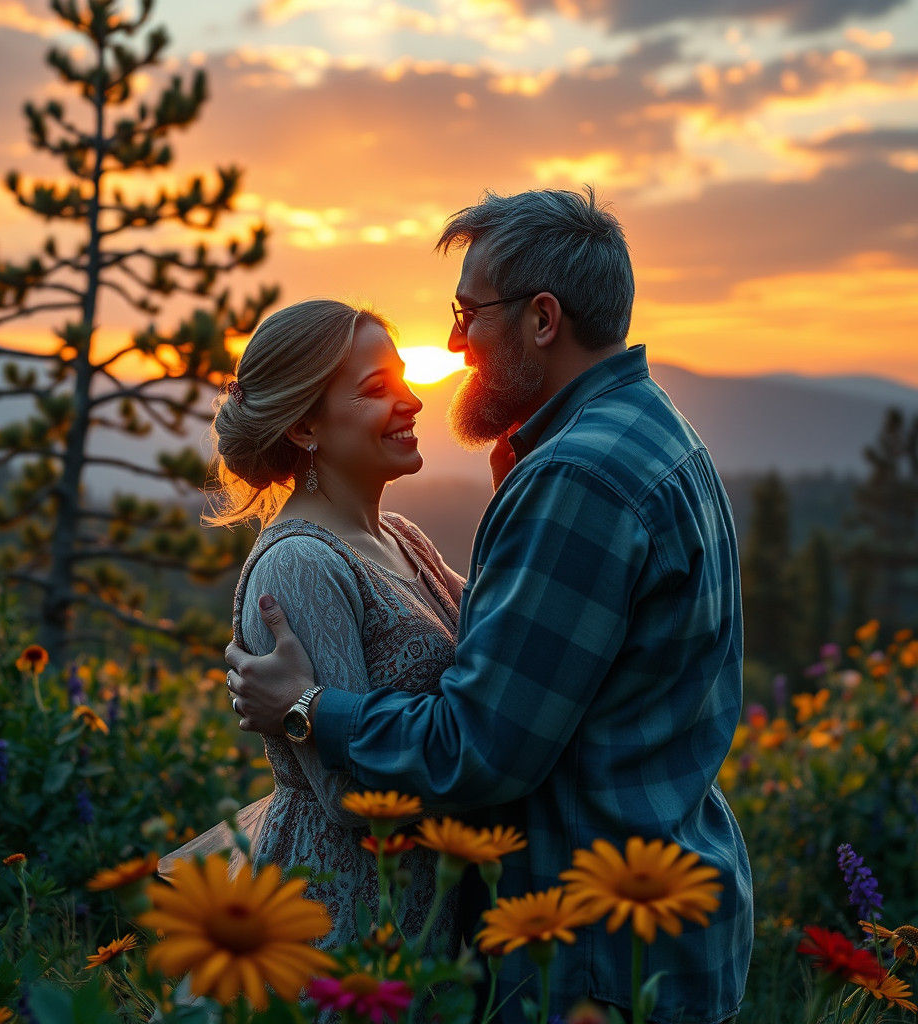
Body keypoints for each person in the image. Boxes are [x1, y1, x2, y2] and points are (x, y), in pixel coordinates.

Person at [225, 188, 754, 1023]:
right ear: (305, 427)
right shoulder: (652, 431)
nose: (452, 342)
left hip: (587, 949)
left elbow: (478, 749)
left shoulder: (576, 481)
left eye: (469, 313)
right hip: (636, 915)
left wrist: (306, 711)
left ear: (543, 320)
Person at [175, 298, 465, 950]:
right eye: (376, 390)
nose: (412, 402)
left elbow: (500, 647)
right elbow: (348, 796)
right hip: (345, 921)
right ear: (305, 426)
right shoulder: (300, 564)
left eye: (404, 380)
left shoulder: (404, 539)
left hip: (419, 916)